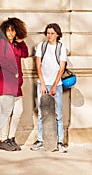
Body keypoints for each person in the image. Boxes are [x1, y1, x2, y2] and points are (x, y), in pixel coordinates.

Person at [0, 17, 28, 151]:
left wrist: (21, 41)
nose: (11, 33)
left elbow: (25, 53)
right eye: (8, 30)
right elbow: (2, 61)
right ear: (4, 31)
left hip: (16, 84)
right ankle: (3, 140)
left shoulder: (16, 45)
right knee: (6, 112)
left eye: (13, 30)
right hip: (4, 83)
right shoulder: (1, 43)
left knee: (19, 111)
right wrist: (14, 72)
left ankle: (11, 138)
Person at [31, 23, 67, 153]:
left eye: (52, 33)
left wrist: (54, 85)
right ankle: (40, 140)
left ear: (57, 34)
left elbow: (61, 68)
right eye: (48, 33)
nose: (49, 35)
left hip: (56, 85)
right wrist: (43, 83)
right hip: (43, 83)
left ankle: (60, 141)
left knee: (58, 114)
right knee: (41, 113)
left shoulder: (61, 48)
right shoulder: (42, 46)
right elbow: (38, 65)